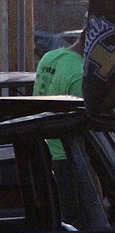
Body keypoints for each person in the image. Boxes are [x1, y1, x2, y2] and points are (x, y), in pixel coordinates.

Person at [34, 32, 85, 223]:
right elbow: (88, 134)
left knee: (58, 220)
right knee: (79, 225)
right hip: (72, 159)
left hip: (47, 151)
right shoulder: (80, 75)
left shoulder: (49, 58)